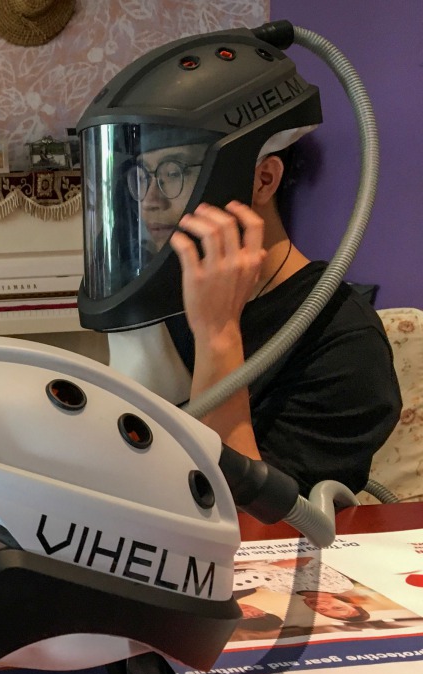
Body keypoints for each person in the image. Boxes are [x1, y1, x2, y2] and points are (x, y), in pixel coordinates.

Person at [76, 26, 400, 497]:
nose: (148, 200)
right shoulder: (165, 296)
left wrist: (219, 334)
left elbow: (249, 521)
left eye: (173, 172)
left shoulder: (344, 342)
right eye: (141, 175)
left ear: (263, 180)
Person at [296, 590, 371, 622]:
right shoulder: (338, 584)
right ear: (352, 604)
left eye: (322, 610)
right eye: (337, 608)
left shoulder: (295, 593)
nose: (319, 606)